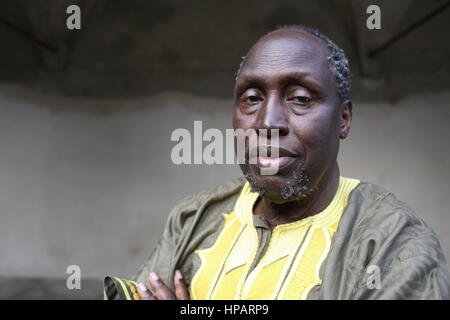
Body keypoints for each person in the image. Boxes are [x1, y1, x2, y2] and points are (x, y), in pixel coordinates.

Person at [103, 25, 450, 300]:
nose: (268, 122)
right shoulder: (195, 217)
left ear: (343, 119)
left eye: (300, 98)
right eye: (251, 98)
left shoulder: (394, 244)